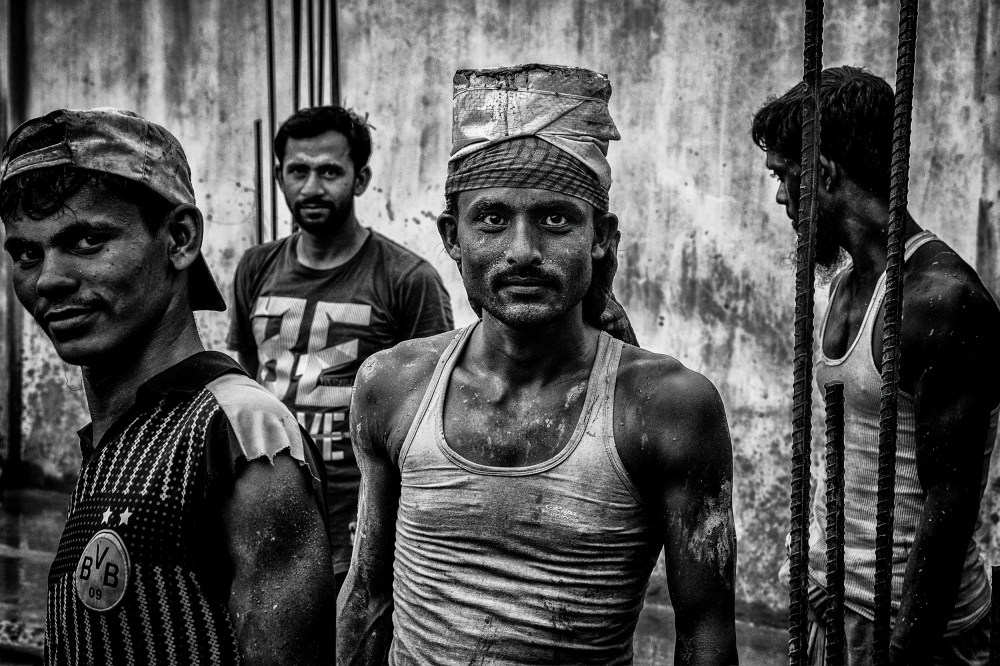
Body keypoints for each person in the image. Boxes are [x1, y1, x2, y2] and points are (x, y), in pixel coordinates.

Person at [338, 64, 738, 666]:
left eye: (556, 219)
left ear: (601, 236)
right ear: (452, 235)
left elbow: (705, 636)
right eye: (493, 219)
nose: (523, 251)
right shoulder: (393, 385)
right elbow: (367, 598)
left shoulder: (666, 407)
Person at [0, 108, 336, 665]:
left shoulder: (238, 437)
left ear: (180, 239)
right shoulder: (124, 431)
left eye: (86, 240)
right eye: (26, 253)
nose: (49, 279)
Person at [753, 66, 1000, 665]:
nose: (782, 197)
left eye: (787, 177)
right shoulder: (846, 281)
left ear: (827, 174)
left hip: (911, 632)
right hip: (835, 609)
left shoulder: (939, 300)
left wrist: (902, 651)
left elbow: (951, 503)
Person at [226, 105, 454, 590]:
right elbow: (246, 388)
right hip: (266, 518)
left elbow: (435, 415)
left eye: (330, 171)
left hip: (360, 535)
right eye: (298, 171)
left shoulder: (407, 281)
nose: (311, 188)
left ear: (360, 178)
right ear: (279, 177)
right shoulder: (255, 267)